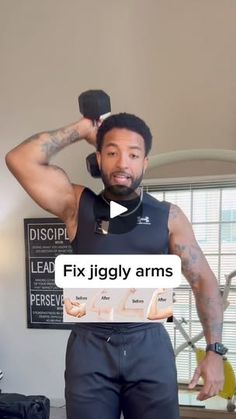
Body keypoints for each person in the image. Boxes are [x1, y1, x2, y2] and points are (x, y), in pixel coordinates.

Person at [6, 111, 224, 419]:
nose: (123, 163)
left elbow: (204, 282)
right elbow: (19, 159)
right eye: (112, 152)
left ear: (145, 163)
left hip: (149, 345)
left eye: (133, 155)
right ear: (98, 158)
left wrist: (215, 352)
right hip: (90, 349)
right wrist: (81, 129)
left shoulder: (169, 217)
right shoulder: (76, 204)